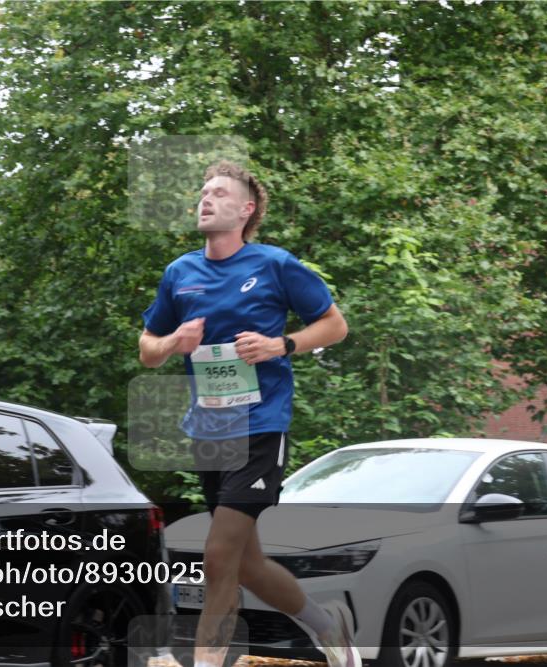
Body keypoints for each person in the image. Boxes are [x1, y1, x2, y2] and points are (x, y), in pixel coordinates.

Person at [138, 161, 360, 667]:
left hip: (260, 426)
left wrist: (281, 344)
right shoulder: (181, 273)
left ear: (246, 210)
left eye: (218, 193)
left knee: (218, 557)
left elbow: (334, 325)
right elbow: (148, 349)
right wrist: (174, 342)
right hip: (209, 431)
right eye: (203, 192)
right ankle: (331, 627)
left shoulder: (275, 264)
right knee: (248, 564)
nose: (205, 199)